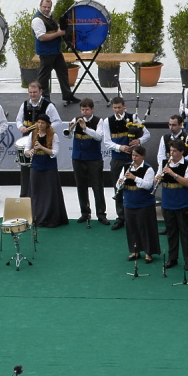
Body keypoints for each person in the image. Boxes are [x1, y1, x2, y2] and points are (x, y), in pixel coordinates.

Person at [104, 96, 149, 229]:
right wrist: (120, 147)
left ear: (124, 107)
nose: (117, 110)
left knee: (136, 187)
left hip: (133, 160)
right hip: (117, 159)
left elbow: (147, 134)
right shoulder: (107, 121)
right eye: (115, 108)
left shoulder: (134, 118)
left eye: (119, 107)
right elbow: (107, 141)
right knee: (118, 188)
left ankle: (136, 215)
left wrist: (138, 141)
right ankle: (121, 217)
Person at [15, 81, 62, 196]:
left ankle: (42, 195)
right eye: (30, 92)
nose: (32, 94)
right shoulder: (24, 104)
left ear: (41, 92)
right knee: (25, 167)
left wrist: (45, 129)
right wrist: (21, 127)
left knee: (41, 167)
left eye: (35, 92)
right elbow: (18, 119)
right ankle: (25, 195)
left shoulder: (49, 105)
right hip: (28, 137)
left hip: (43, 139)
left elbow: (57, 121)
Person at [156, 141, 188, 271]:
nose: (171, 154)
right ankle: (172, 258)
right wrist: (158, 178)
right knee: (171, 233)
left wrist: (173, 173)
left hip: (182, 204)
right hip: (167, 204)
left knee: (185, 233)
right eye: (170, 151)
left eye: (174, 151)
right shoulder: (164, 163)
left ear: (181, 152)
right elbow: (156, 178)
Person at [32, 0, 80, 106]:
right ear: (40, 6)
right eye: (44, 7)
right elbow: (42, 37)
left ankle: (67, 95)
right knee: (44, 77)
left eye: (48, 7)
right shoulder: (37, 20)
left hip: (56, 51)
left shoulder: (50, 16)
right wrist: (59, 34)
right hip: (46, 52)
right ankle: (44, 99)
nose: (47, 9)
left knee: (63, 72)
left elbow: (56, 29)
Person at [25, 114, 68, 227]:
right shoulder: (32, 134)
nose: (40, 125)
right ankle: (35, 216)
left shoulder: (53, 136)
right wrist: (29, 152)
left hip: (49, 167)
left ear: (47, 124)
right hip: (36, 166)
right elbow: (26, 149)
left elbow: (54, 153)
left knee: (50, 192)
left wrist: (42, 148)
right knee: (35, 192)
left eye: (42, 123)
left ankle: (50, 217)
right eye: (38, 122)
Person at [70, 98, 108, 225]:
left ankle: (101, 214)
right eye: (82, 109)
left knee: (97, 187)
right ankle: (85, 213)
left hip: (93, 159)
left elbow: (98, 137)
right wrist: (70, 129)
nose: (84, 112)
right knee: (81, 187)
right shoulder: (75, 120)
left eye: (86, 109)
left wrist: (85, 128)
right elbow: (68, 136)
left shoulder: (99, 121)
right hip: (78, 158)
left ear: (92, 109)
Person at [119, 145, 159, 263]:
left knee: (145, 227)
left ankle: (148, 252)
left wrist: (134, 178)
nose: (134, 158)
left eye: (136, 156)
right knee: (132, 228)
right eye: (132, 155)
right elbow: (119, 181)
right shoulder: (126, 167)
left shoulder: (148, 169)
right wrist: (120, 183)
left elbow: (147, 185)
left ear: (142, 156)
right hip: (129, 202)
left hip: (144, 203)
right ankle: (135, 250)